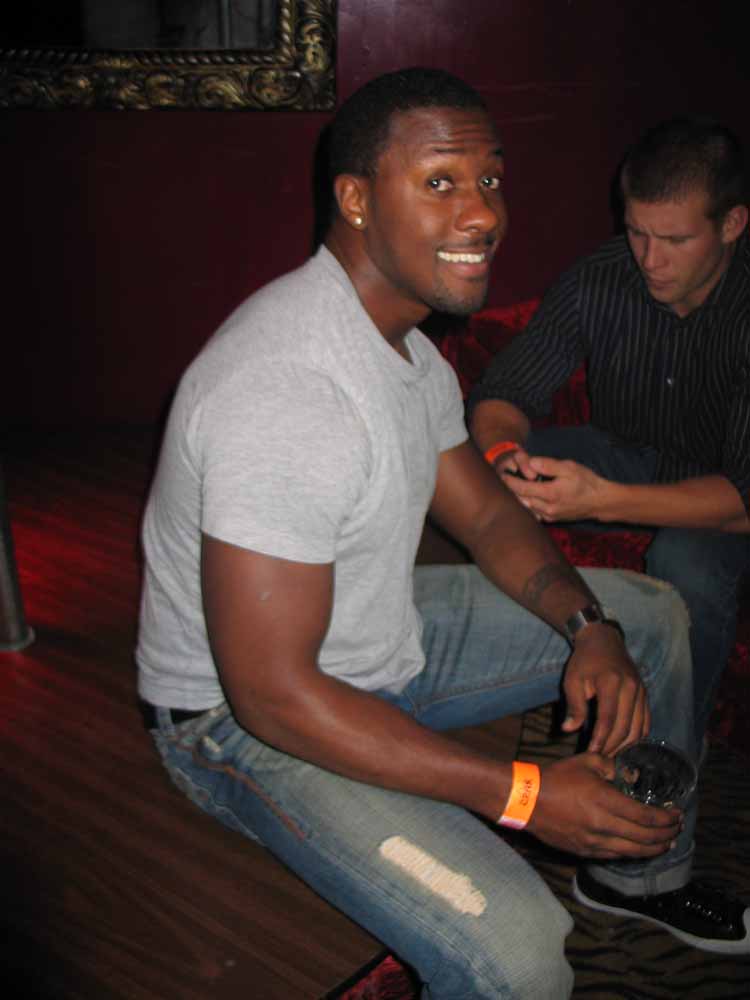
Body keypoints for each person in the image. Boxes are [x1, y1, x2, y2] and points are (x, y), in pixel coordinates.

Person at [136, 72, 749, 1000]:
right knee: (521, 953)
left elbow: (489, 513)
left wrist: (588, 627)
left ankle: (637, 880)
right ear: (355, 199)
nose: (483, 213)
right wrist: (526, 793)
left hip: (371, 630)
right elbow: (271, 696)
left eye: (490, 180)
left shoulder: (409, 352)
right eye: (440, 182)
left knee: (651, 618)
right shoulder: (288, 390)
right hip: (240, 722)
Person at [468, 116, 750, 747]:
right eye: (637, 232)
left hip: (719, 498)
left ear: (732, 224)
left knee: (684, 561)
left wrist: (598, 499)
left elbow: (743, 499)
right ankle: (482, 700)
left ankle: (664, 760)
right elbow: (503, 394)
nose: (650, 259)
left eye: (674, 239)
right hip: (623, 453)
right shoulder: (601, 275)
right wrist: (505, 455)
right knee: (467, 474)